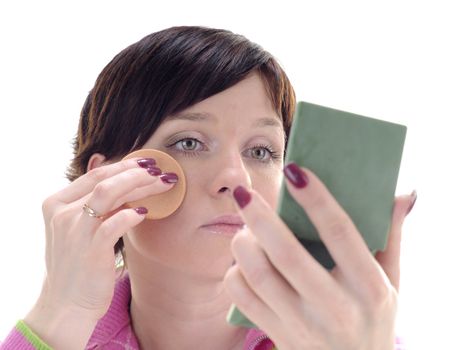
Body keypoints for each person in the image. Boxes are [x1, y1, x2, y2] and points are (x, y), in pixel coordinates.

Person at [0, 26, 416, 350]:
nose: (237, 178)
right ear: (106, 178)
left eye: (261, 150)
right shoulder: (58, 336)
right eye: (188, 143)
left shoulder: (346, 340)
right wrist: (59, 317)